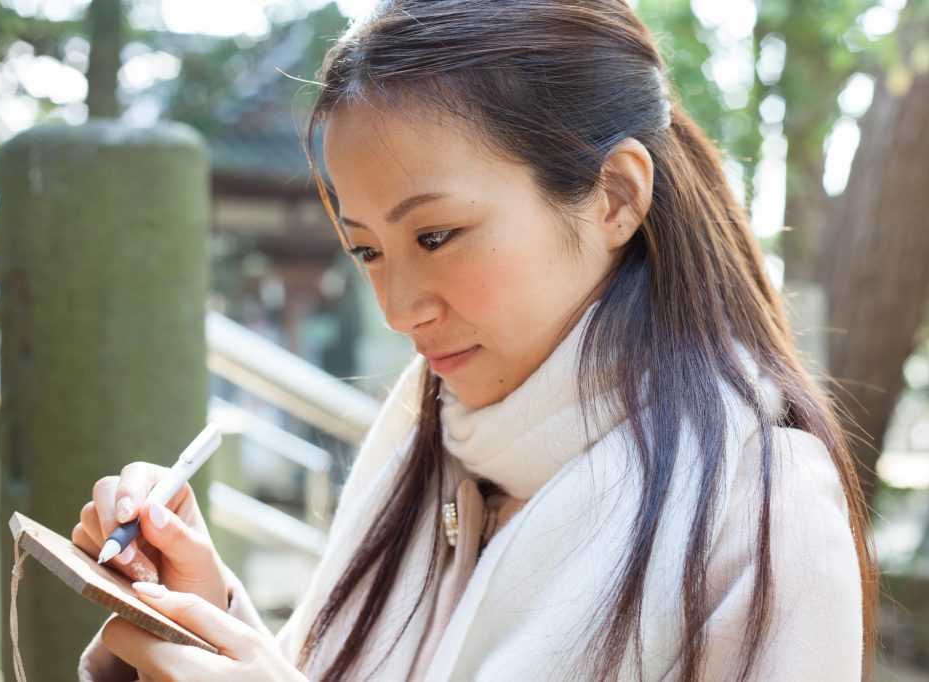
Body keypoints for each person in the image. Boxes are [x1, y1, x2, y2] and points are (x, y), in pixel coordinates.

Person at [74, 1, 878, 679]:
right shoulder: (424, 433)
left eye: (435, 236)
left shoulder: (757, 504)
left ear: (616, 197)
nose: (397, 309)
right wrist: (205, 616)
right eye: (367, 250)